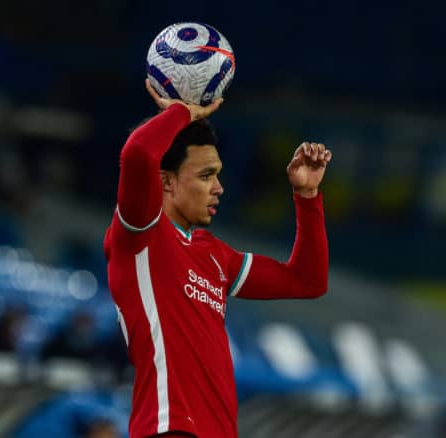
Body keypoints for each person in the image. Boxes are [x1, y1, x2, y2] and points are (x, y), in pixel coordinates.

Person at [104, 79, 332, 438]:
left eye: (218, 175)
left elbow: (308, 281)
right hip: (168, 427)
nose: (219, 187)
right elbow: (138, 154)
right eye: (206, 175)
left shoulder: (214, 254)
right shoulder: (140, 234)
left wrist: (307, 195)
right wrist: (184, 112)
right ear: (166, 182)